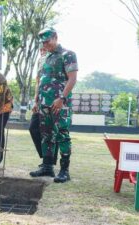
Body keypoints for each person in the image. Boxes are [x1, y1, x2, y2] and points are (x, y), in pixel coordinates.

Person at [29, 27, 78, 183]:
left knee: (62, 134)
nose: (45, 44)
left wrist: (62, 98)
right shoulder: (43, 58)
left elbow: (72, 78)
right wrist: (36, 100)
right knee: (45, 135)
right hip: (44, 103)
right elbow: (39, 80)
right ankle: (47, 166)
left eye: (47, 41)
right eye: (43, 42)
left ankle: (64, 170)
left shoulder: (67, 55)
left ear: (55, 37)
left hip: (59, 103)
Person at [29, 46, 58, 167]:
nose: (42, 52)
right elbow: (38, 82)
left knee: (52, 131)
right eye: (40, 50)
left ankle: (49, 162)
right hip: (40, 101)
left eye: (44, 50)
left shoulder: (57, 60)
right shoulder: (40, 62)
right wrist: (35, 101)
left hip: (53, 100)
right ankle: (46, 158)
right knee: (33, 127)